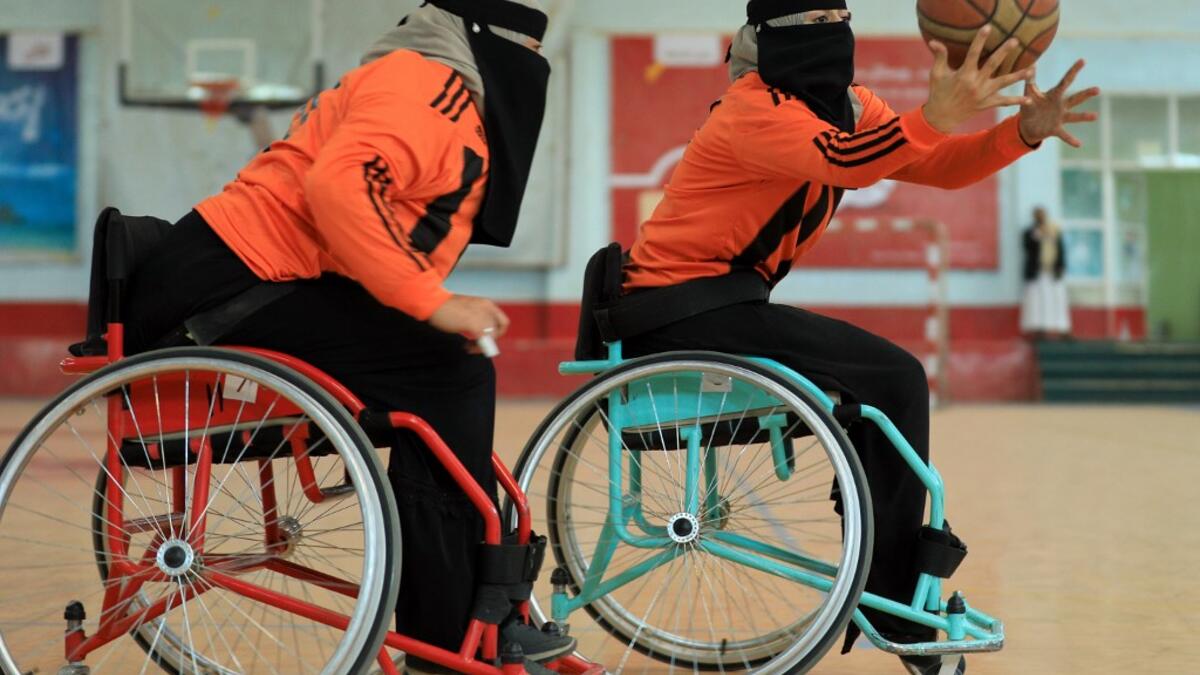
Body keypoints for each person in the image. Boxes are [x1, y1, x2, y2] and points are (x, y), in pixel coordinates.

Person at [620, 1, 1099, 673]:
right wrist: (935, 113)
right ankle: (892, 595)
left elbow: (939, 165)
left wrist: (1020, 133)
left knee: (884, 386)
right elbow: (849, 162)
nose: (831, 35)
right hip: (674, 305)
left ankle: (885, 583)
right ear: (766, 39)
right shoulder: (749, 109)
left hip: (726, 300)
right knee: (894, 377)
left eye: (837, 18)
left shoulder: (850, 105)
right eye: (814, 22)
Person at [121, 0, 574, 671]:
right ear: (492, 41)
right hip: (226, 290)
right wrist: (431, 301)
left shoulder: (432, 80)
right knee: (447, 370)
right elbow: (339, 185)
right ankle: (446, 633)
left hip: (243, 279)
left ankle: (464, 610)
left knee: (443, 363)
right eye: (526, 46)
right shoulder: (426, 82)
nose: (534, 62)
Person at [1021, 206, 1071, 339]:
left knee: (1057, 299)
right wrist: (1038, 234)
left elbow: (1060, 249)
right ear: (1034, 216)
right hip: (1037, 272)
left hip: (1053, 272)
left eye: (1042, 214)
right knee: (1038, 301)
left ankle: (1062, 329)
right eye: (1038, 215)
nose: (1041, 217)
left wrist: (1061, 266)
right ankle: (1040, 329)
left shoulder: (1054, 230)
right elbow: (1027, 246)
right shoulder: (1030, 232)